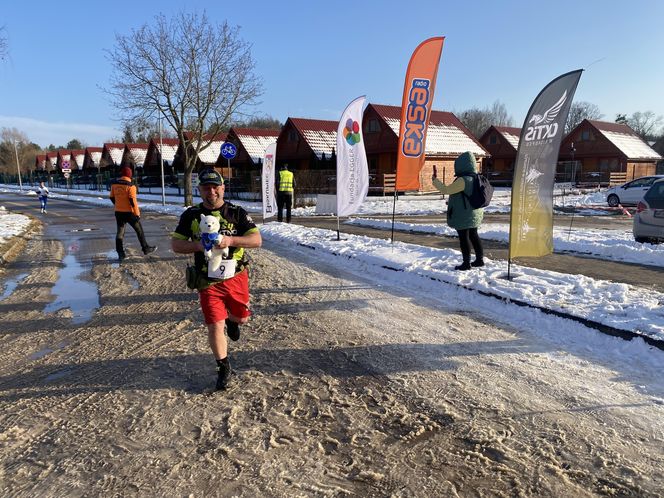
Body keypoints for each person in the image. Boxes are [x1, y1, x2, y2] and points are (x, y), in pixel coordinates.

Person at [171, 168, 262, 391]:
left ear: (222, 188)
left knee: (241, 319)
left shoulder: (237, 212)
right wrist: (198, 246)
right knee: (214, 325)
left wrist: (230, 241)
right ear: (200, 190)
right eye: (206, 187)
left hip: (236, 276)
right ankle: (223, 367)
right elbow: (176, 245)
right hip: (207, 279)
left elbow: (257, 240)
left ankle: (234, 320)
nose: (211, 191)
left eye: (215, 186)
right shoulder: (191, 215)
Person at [432, 151, 484, 271]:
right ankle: (479, 260)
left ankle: (466, 263)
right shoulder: (476, 177)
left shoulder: (463, 180)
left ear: (462, 165)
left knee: (463, 237)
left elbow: (446, 190)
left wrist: (435, 181)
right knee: (474, 235)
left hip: (464, 214)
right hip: (475, 212)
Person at [109, 166, 156, 261]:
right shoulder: (131, 186)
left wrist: (117, 205)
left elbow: (111, 197)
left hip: (118, 213)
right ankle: (145, 248)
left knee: (120, 233)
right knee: (139, 230)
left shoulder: (114, 185)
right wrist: (137, 214)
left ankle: (121, 254)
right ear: (130, 175)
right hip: (129, 213)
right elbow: (133, 202)